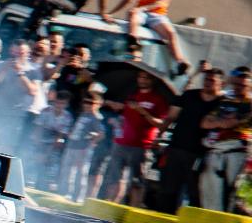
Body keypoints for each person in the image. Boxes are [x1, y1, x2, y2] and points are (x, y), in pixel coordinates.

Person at [155, 68, 225, 212]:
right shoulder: (189, 95)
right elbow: (170, 117)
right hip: (176, 148)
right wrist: (158, 136)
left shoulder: (222, 103)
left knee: (196, 194)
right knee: (168, 190)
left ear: (221, 84)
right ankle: (163, 219)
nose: (207, 83)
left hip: (201, 154)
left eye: (212, 80)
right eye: (206, 79)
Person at [98, 71, 171, 205]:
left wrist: (141, 110)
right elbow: (126, 118)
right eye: (140, 77)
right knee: (114, 178)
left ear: (152, 80)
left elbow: (161, 124)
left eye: (146, 78)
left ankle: (134, 208)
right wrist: (117, 118)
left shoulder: (158, 100)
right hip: (121, 143)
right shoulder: (132, 96)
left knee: (137, 181)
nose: (142, 80)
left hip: (141, 146)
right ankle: (110, 206)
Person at [109, 0, 186, 66]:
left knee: (171, 34)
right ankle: (133, 41)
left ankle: (180, 62)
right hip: (141, 13)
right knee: (132, 13)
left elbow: (162, 2)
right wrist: (111, 13)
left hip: (157, 15)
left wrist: (142, 8)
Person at [0, 39, 43, 152]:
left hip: (14, 115)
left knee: (6, 148)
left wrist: (20, 73)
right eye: (14, 53)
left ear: (27, 54)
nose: (17, 56)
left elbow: (32, 91)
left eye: (21, 53)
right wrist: (3, 69)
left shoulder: (33, 71)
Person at [199, 70, 252, 212]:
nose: (238, 88)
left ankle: (230, 218)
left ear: (249, 86)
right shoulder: (225, 101)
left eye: (242, 85)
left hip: (239, 148)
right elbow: (205, 122)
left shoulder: (249, 104)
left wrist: (223, 122)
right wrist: (221, 122)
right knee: (209, 188)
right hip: (216, 147)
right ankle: (212, 216)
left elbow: (233, 122)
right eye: (236, 84)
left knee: (234, 190)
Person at [57, 91, 106, 202]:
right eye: (85, 102)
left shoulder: (96, 118)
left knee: (80, 173)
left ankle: (77, 197)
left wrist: (91, 143)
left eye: (90, 103)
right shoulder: (83, 114)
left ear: (97, 104)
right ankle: (64, 193)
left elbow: (101, 134)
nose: (87, 105)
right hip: (72, 145)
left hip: (82, 148)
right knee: (67, 171)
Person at [30, 90, 74, 191]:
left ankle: (44, 185)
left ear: (66, 104)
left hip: (54, 142)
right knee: (36, 161)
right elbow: (38, 128)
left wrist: (48, 153)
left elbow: (60, 136)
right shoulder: (46, 111)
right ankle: (32, 181)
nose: (59, 105)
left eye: (62, 103)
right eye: (57, 102)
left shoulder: (67, 117)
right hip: (41, 139)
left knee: (50, 163)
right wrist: (38, 145)